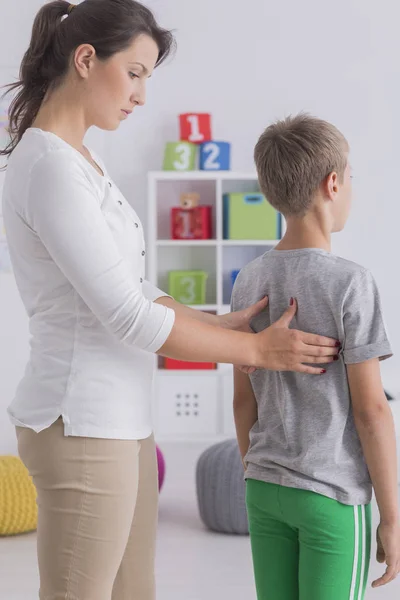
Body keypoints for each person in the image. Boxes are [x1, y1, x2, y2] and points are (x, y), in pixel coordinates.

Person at [1, 2, 340, 599]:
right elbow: (129, 316)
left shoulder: (84, 161)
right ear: (85, 60)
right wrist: (256, 350)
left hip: (121, 421)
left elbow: (135, 288)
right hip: (82, 422)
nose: (140, 95)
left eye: (148, 78)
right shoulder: (50, 168)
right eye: (134, 73)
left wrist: (217, 322)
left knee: (136, 592)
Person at [232, 113, 400, 600]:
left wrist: (258, 472)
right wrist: (391, 516)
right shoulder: (351, 282)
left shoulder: (248, 281)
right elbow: (372, 411)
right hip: (329, 496)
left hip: (264, 488)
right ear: (332, 184)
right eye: (350, 178)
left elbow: (245, 402)